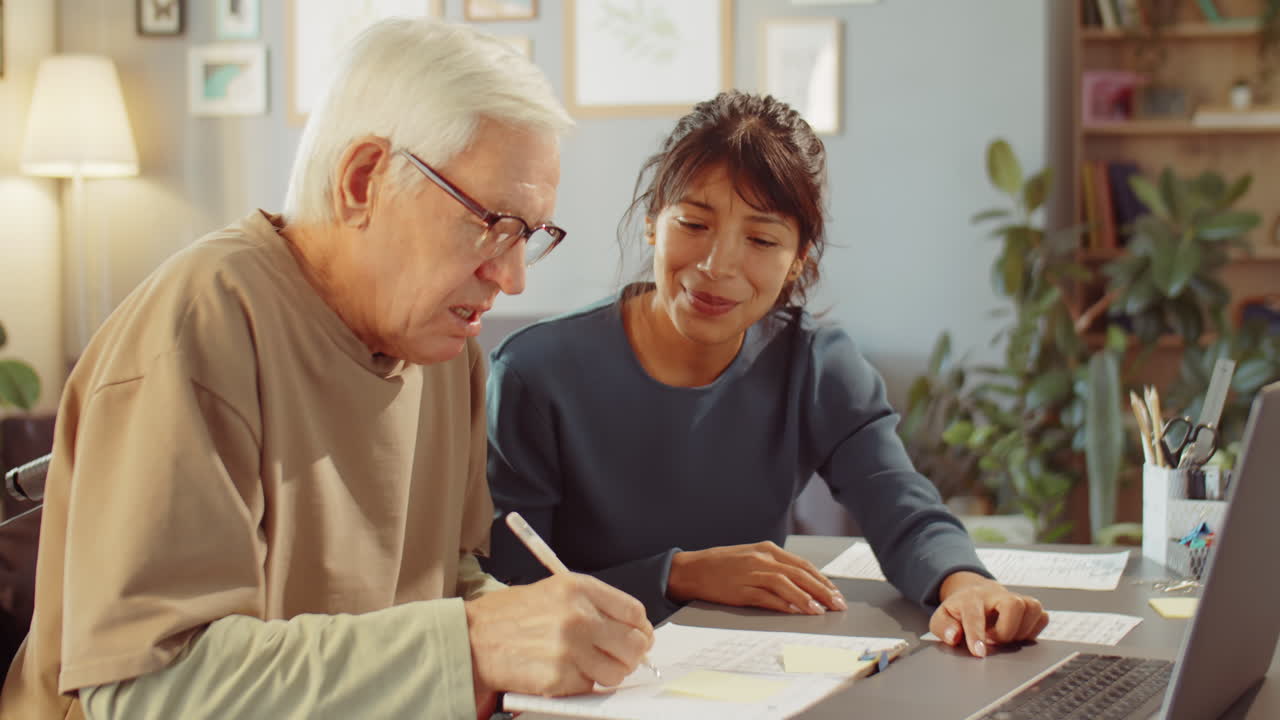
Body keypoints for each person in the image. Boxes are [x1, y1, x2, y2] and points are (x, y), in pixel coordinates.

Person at [0, 18, 653, 720]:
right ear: (364, 180)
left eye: (529, 235)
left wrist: (538, 633)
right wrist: (472, 646)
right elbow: (146, 691)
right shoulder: (200, 327)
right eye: (492, 222)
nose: (513, 277)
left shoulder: (445, 347)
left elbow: (447, 583)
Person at [483, 91, 1048, 658]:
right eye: (695, 224)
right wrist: (675, 575)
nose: (717, 266)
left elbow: (899, 503)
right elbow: (514, 589)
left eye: (761, 239)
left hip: (756, 676)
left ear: (798, 258)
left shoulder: (817, 364)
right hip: (586, 678)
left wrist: (967, 584)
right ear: (654, 222)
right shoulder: (537, 373)